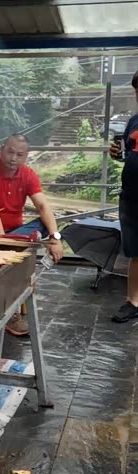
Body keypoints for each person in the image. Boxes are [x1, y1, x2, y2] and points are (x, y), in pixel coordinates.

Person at [0, 134, 63, 335]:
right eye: (10, 152)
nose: (13, 158)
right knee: (19, 250)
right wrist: (3, 246)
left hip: (15, 233)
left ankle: (19, 252)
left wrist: (55, 238)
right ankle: (10, 307)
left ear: (26, 156)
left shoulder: (28, 174)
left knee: (45, 223)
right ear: (1, 150)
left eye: (19, 155)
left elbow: (43, 206)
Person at [110, 70, 138, 323]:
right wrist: (117, 155)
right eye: (137, 91)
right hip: (131, 198)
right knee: (135, 251)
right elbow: (128, 155)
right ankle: (133, 301)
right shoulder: (134, 122)